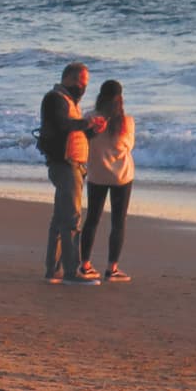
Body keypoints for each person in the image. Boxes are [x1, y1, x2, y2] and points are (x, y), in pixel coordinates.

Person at [38, 62, 104, 283]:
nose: (83, 87)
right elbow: (63, 125)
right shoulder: (54, 99)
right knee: (71, 219)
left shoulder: (71, 102)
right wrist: (85, 123)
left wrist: (92, 129)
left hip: (73, 163)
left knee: (60, 219)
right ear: (68, 79)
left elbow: (76, 133)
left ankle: (53, 269)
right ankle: (71, 271)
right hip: (64, 163)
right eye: (80, 82)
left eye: (85, 84)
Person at [81, 79, 136, 282]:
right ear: (120, 99)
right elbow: (129, 146)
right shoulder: (127, 121)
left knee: (92, 220)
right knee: (118, 222)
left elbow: (83, 140)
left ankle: (85, 264)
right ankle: (112, 268)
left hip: (97, 174)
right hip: (121, 175)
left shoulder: (90, 118)